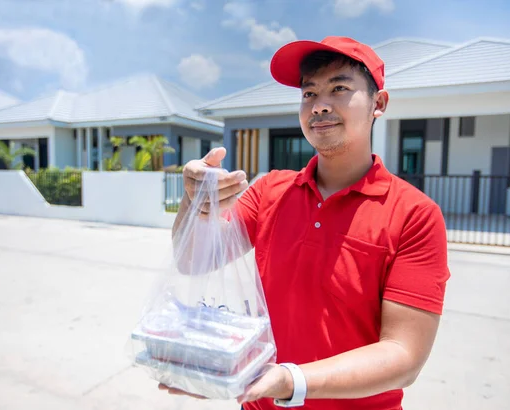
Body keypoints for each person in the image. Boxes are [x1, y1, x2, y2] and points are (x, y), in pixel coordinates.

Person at [161, 36, 451, 410]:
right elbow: (192, 259)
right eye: (309, 93)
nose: (319, 106)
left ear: (378, 103)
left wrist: (289, 381)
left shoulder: (415, 215)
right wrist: (194, 199)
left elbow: (403, 354)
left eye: (339, 88)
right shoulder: (270, 191)